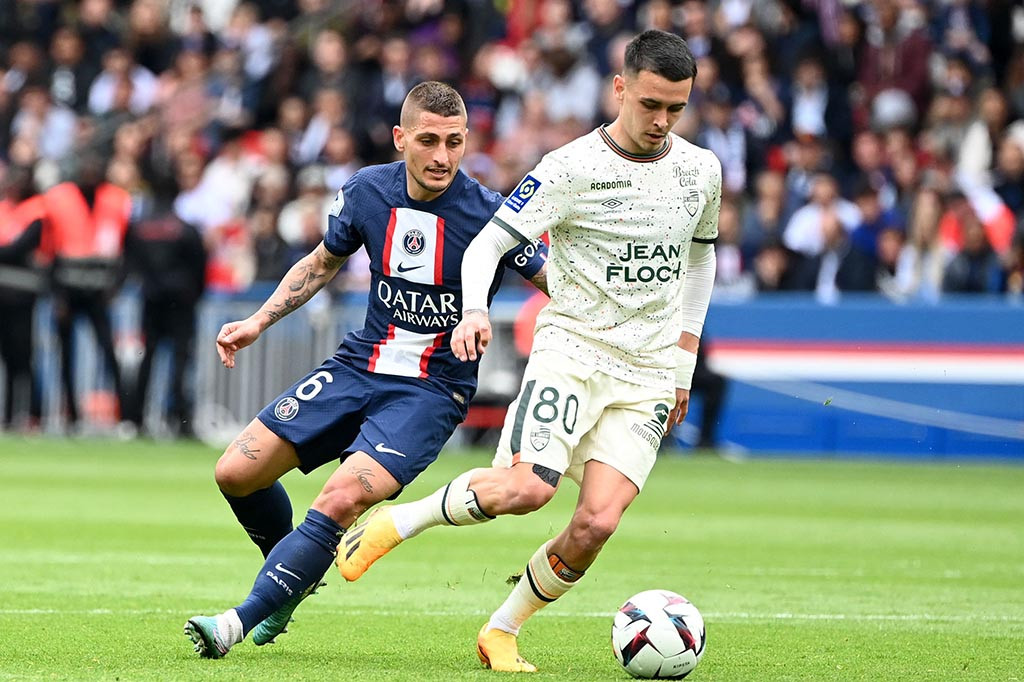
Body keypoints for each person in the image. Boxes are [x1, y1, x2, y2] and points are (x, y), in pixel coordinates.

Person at [338, 30, 720, 673]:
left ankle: (501, 628)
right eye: (651, 104)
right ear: (620, 87)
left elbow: (701, 260)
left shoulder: (701, 169)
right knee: (527, 489)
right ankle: (400, 523)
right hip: (572, 351)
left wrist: (682, 365)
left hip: (650, 371)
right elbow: (487, 244)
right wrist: (477, 310)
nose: (661, 121)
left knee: (597, 524)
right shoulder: (569, 168)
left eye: (675, 109)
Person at [183, 81, 548, 658]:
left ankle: (237, 620)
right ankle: (290, 582)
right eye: (428, 140)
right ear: (401, 138)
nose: (441, 156)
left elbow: (556, 283)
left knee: (338, 499)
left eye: (454, 142)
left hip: (430, 390)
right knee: (236, 471)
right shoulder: (366, 192)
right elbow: (322, 262)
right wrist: (258, 320)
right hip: (360, 365)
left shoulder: (490, 215)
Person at [44, 156, 132, 429]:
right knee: (65, 355)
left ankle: (127, 414)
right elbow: (49, 252)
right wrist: (56, 295)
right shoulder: (59, 199)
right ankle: (70, 414)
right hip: (68, 291)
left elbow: (127, 249)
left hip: (99, 292)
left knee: (109, 351)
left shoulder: (117, 199)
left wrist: (115, 286)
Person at [121, 203, 208, 437]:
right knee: (180, 361)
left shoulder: (141, 228)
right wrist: (193, 293)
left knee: (147, 359)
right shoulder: (186, 229)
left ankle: (135, 419)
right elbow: (200, 266)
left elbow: (130, 261)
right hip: (181, 301)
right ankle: (181, 420)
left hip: (152, 300)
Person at [0, 166, 47, 431]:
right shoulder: (3, 209)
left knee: (23, 356)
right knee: (7, 357)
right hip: (3, 292)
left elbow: (20, 248)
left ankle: (29, 413)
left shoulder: (35, 212)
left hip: (22, 293)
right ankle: (7, 415)